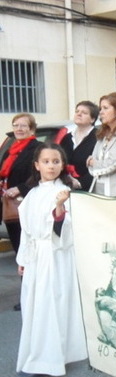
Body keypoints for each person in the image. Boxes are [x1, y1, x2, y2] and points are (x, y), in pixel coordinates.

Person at [15, 143, 87, 377]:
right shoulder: (33, 193)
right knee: (33, 306)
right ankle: (39, 353)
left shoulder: (64, 192)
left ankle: (45, 359)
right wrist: (23, 258)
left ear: (62, 165)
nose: (51, 166)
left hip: (54, 255)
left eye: (56, 161)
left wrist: (59, 208)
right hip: (36, 256)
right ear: (37, 165)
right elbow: (26, 230)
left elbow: (66, 230)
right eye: (46, 161)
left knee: (50, 305)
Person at [0, 113, 40, 311]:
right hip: (10, 206)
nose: (19, 129)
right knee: (19, 251)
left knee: (28, 250)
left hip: (27, 204)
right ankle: (26, 293)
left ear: (32, 129)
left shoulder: (36, 149)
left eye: (23, 126)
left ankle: (32, 295)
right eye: (16, 125)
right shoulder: (11, 149)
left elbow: (39, 175)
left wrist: (21, 188)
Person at [58, 100, 99, 191]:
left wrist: (80, 183)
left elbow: (99, 166)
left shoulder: (98, 138)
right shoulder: (67, 138)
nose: (79, 114)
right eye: (77, 111)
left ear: (92, 119)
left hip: (90, 189)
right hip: (65, 186)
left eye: (84, 113)